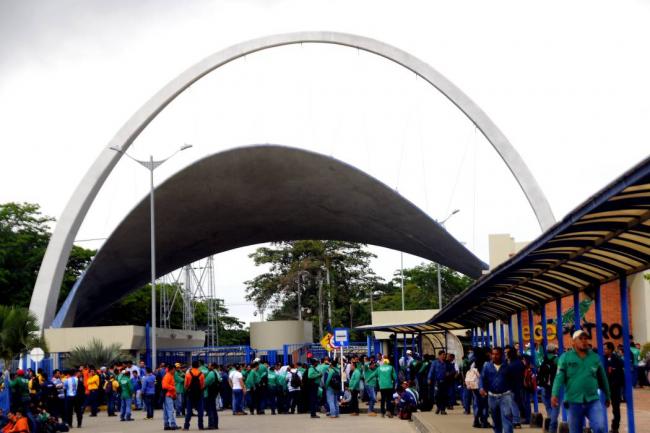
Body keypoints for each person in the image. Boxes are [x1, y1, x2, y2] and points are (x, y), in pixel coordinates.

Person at [551, 330, 610, 433]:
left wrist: (608, 395)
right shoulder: (565, 358)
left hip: (592, 400)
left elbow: (603, 378)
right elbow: (559, 377)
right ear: (573, 342)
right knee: (575, 431)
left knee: (600, 427)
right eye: (580, 338)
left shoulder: (594, 357)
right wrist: (554, 394)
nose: (584, 341)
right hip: (573, 401)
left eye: (585, 338)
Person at [479, 347, 514, 433]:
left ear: (501, 355)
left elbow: (513, 380)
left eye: (497, 354)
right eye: (493, 354)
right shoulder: (487, 366)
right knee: (496, 420)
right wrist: (482, 388)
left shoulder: (507, 366)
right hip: (492, 397)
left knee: (507, 417)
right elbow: (482, 379)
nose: (494, 356)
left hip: (505, 396)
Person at [537, 344, 559, 433]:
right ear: (555, 351)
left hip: (545, 385)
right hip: (555, 386)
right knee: (555, 406)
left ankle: (550, 417)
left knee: (548, 404)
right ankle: (552, 424)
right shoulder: (557, 360)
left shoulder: (543, 359)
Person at [604, 342, 624, 433]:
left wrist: (612, 386)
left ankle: (615, 427)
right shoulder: (603, 358)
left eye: (606, 349)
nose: (604, 350)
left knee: (616, 408)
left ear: (610, 349)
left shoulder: (615, 359)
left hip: (614, 388)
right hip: (606, 387)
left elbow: (619, 375)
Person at [184, 361, 205, 430]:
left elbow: (185, 385)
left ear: (192, 366)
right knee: (200, 410)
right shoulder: (201, 374)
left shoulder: (188, 374)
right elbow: (202, 385)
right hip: (199, 394)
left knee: (189, 410)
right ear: (198, 366)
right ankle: (201, 426)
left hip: (190, 394)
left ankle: (186, 426)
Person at [428, 350, 449, 415]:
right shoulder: (435, 363)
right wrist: (429, 378)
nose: (444, 356)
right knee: (437, 396)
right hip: (437, 382)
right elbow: (431, 371)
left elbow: (450, 370)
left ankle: (443, 409)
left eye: (445, 355)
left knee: (444, 396)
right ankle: (438, 407)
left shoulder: (446, 363)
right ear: (439, 355)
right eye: (443, 355)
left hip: (445, 382)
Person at [162, 364, 178, 431]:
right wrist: (173, 388)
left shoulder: (168, 375)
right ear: (171, 369)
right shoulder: (168, 376)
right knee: (171, 410)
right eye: (174, 369)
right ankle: (173, 424)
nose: (175, 371)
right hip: (169, 395)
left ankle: (166, 425)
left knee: (166, 411)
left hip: (166, 395)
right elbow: (165, 386)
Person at [204, 363, 219, 429]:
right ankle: (215, 424)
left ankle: (211, 424)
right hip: (215, 392)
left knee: (210, 409)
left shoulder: (211, 373)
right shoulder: (216, 372)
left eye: (209, 365)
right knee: (214, 409)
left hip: (210, 392)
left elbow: (205, 382)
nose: (208, 366)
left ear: (212, 366)